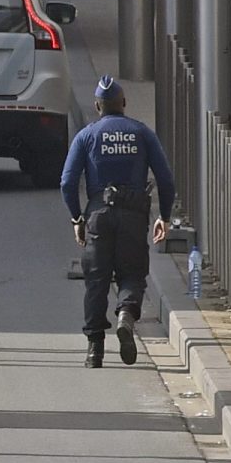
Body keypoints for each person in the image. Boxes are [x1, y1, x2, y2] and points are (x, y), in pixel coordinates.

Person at [60, 76, 176, 368]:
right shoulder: (142, 133)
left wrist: (77, 217)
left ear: (97, 106)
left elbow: (67, 182)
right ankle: (126, 312)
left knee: (96, 282)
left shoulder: (87, 136)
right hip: (134, 215)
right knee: (132, 274)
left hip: (98, 215)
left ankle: (94, 350)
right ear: (124, 103)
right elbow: (165, 179)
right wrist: (164, 216)